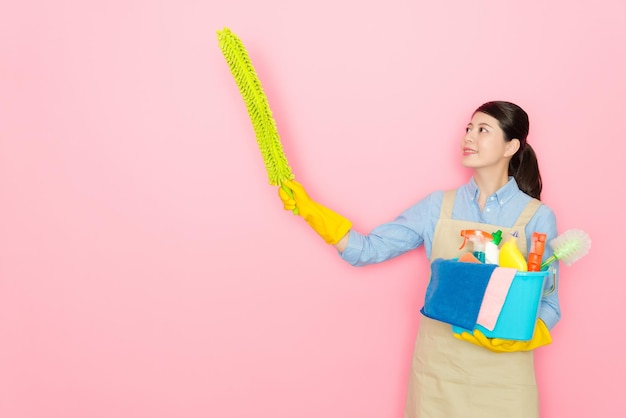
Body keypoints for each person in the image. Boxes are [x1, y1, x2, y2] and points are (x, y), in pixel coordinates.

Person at [278, 101, 560, 418]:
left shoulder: (536, 217)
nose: (468, 137)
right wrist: (310, 211)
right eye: (468, 129)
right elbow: (367, 250)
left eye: (482, 130)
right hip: (438, 378)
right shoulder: (436, 207)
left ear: (512, 146)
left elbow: (549, 304)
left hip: (506, 382)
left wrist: (525, 336)